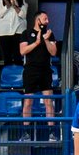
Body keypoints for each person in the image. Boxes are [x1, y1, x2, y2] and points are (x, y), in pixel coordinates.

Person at [20, 11, 59, 141]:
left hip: (45, 71)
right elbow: (23, 51)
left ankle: (52, 133)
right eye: (45, 19)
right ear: (38, 20)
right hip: (30, 71)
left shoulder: (50, 34)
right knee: (28, 102)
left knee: (49, 101)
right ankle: (26, 133)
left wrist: (46, 40)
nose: (47, 21)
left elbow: (53, 52)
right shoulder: (26, 33)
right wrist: (36, 42)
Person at [0, 0, 28, 66]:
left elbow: (23, 15)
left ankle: (18, 77)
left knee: (18, 56)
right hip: (4, 32)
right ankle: (8, 77)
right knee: (7, 57)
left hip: (18, 31)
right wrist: (7, 6)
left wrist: (15, 6)